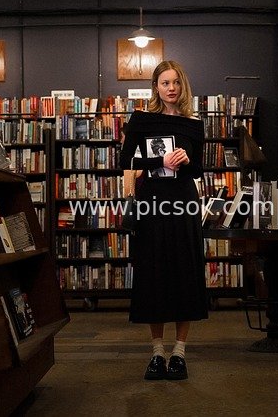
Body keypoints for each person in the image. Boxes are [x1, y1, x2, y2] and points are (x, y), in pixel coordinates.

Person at [119, 60, 207, 381]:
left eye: (176, 83)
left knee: (185, 270)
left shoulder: (193, 124)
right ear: (155, 87)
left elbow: (198, 170)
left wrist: (185, 162)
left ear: (182, 86)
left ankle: (179, 353)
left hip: (184, 201)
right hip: (152, 202)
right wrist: (161, 159)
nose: (171, 88)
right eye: (165, 82)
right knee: (153, 272)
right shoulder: (142, 120)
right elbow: (125, 160)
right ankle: (157, 352)